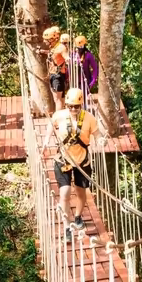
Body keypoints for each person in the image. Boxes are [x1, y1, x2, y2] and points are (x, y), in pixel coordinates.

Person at [44, 87, 99, 234]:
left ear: (81, 105)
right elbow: (51, 124)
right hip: (63, 160)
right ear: (67, 105)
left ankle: (78, 217)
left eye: (76, 106)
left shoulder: (89, 118)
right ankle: (67, 225)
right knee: (65, 193)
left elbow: (97, 135)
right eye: (70, 106)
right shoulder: (59, 115)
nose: (73, 109)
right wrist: (46, 141)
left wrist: (102, 141)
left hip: (82, 162)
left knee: (81, 193)